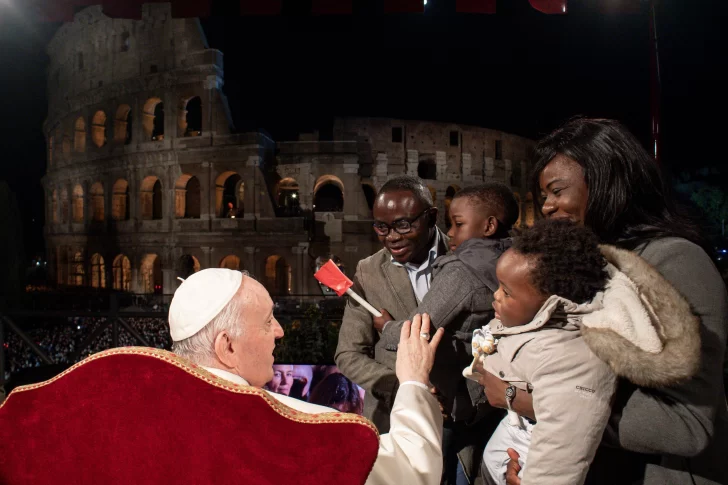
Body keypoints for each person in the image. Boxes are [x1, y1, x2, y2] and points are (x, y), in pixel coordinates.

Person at [480, 117, 727, 485]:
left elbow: (687, 425)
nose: (547, 206)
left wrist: (528, 400)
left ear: (607, 183)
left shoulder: (675, 262)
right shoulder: (582, 262)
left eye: (557, 191)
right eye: (543, 196)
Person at [466, 218, 699, 485]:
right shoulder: (535, 323)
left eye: (506, 293)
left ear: (551, 304)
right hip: (506, 454)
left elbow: (562, 450)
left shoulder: (573, 357)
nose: (495, 296)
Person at [169, 268, 446, 485]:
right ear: (227, 346)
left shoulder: (153, 417)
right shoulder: (300, 426)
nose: (279, 331)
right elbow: (411, 472)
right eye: (267, 321)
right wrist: (413, 381)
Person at [372, 182, 519, 484]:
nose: (451, 232)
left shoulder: (461, 271)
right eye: (382, 227)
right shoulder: (513, 261)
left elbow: (418, 329)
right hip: (488, 397)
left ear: (489, 225)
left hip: (452, 402)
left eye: (459, 223)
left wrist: (386, 327)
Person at [336, 174, 448, 434]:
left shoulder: (463, 257)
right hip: (394, 420)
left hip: (463, 421)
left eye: (403, 225)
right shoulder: (368, 271)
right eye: (381, 227)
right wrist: (408, 388)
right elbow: (348, 355)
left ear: (431, 217)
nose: (391, 237)